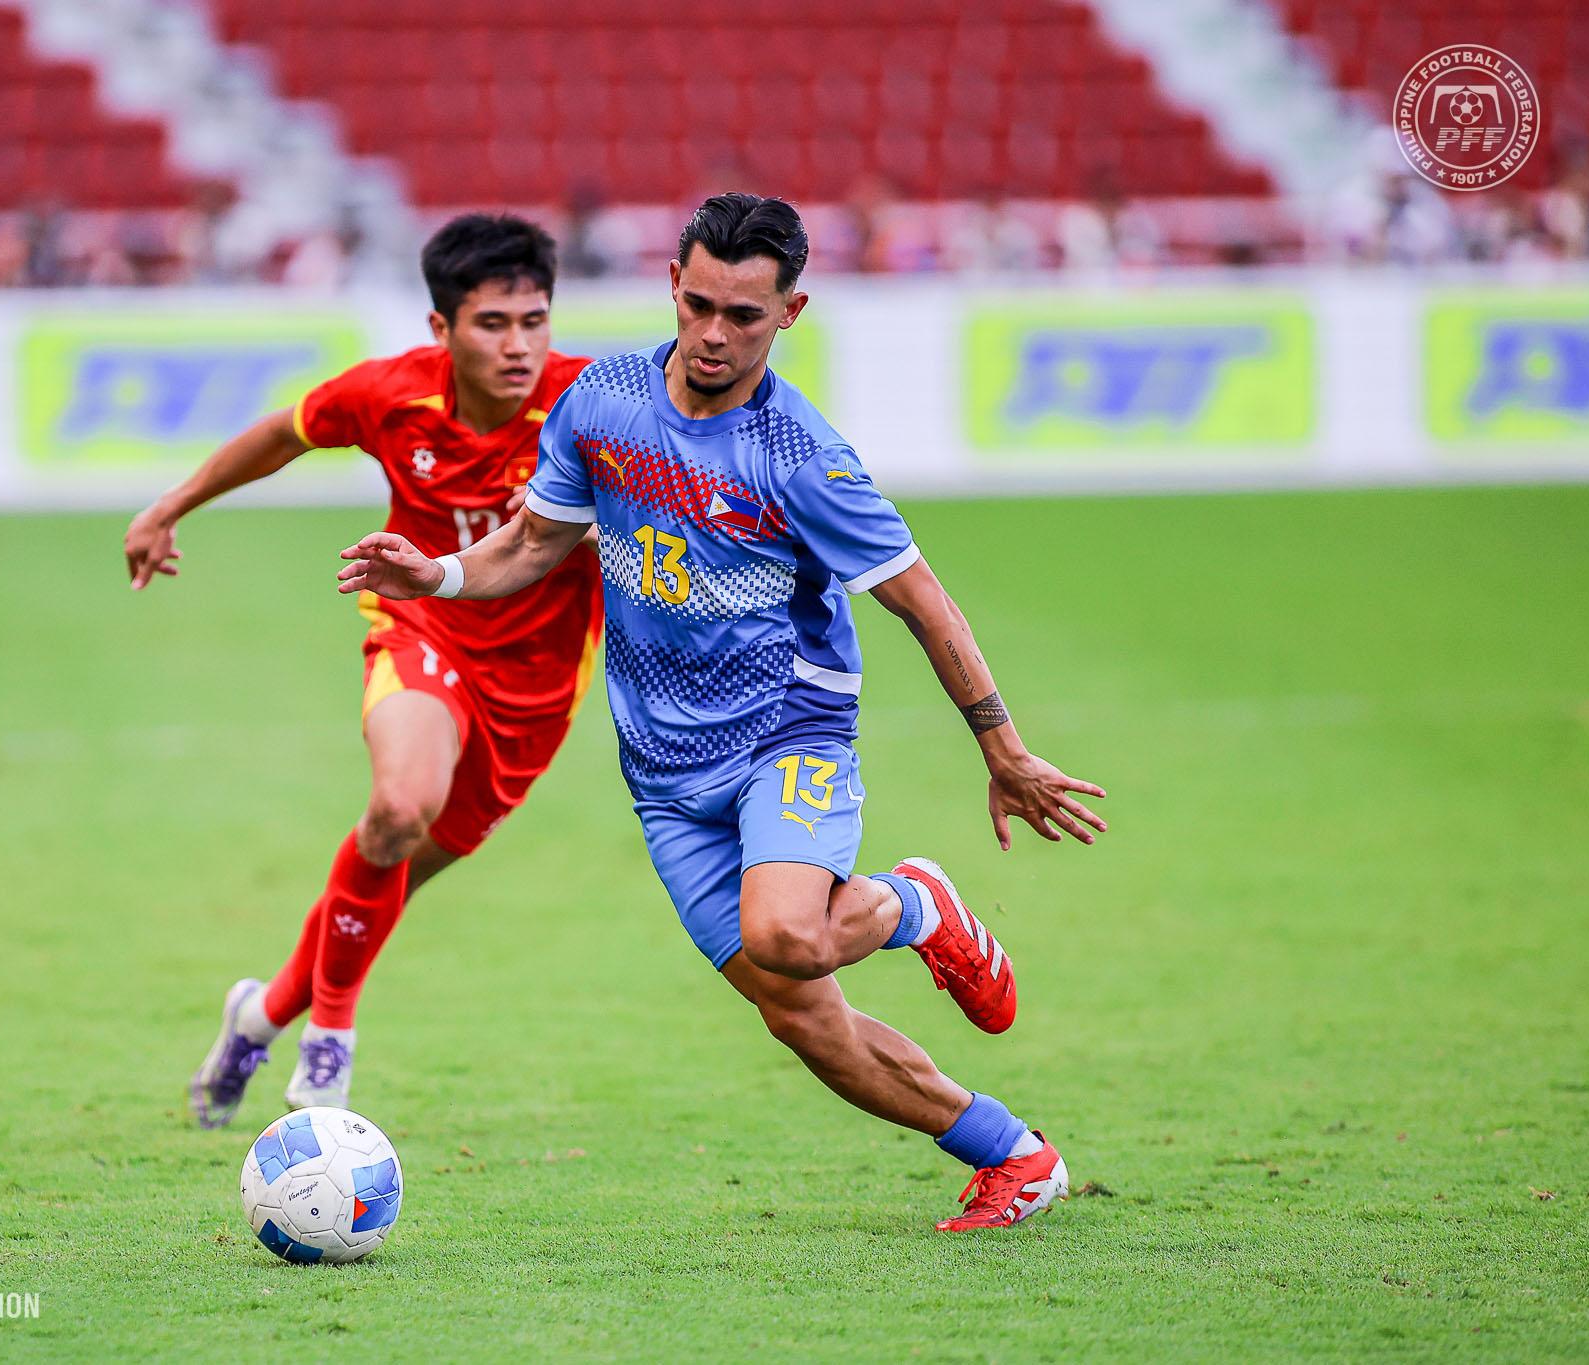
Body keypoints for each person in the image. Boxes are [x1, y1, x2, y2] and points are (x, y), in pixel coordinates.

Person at [334, 194, 1107, 1231]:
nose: (711, 334)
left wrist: (1002, 750)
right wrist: (430, 571)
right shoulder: (602, 403)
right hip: (662, 772)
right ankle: (1011, 1154)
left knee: (786, 935)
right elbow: (528, 546)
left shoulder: (800, 457)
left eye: (741, 316)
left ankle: (912, 904)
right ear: (670, 284)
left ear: (788, 312)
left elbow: (921, 601)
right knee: (798, 1017)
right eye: (697, 304)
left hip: (786, 733)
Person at [126, 214, 603, 1125]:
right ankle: (328, 1041)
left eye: (533, 321)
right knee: (396, 805)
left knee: (393, 870)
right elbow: (283, 433)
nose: (518, 345)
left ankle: (259, 1015)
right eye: (492, 324)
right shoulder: (391, 395)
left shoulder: (591, 406)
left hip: (536, 692)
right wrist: (172, 503)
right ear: (441, 330)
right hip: (423, 629)